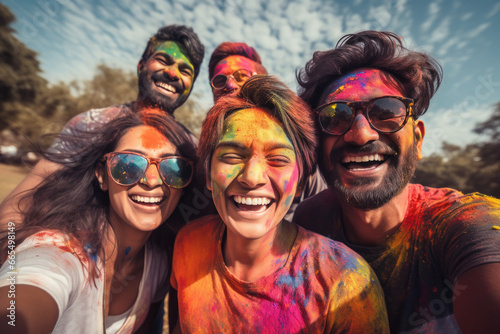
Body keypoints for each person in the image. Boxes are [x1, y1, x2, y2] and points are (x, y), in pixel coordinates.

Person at [294, 30, 500, 333]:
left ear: (417, 139)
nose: (361, 134)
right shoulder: (311, 220)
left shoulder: (466, 225)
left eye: (386, 111)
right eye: (335, 117)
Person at [170, 75, 389, 333]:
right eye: (231, 156)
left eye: (278, 159)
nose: (251, 177)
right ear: (208, 174)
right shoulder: (188, 245)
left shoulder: (346, 283)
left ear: (299, 181)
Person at [0, 110, 197, 333]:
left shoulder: (159, 265)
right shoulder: (57, 252)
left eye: (173, 169)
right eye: (128, 164)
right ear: (102, 176)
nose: (152, 181)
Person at [0, 24, 205, 227]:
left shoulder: (191, 148)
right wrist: (10, 253)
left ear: (191, 85)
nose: (173, 73)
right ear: (141, 65)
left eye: (185, 70)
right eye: (163, 60)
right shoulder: (92, 123)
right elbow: (25, 198)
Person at [208, 42, 327, 221]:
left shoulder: (296, 146)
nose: (230, 85)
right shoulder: (209, 147)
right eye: (220, 80)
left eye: (241, 75)